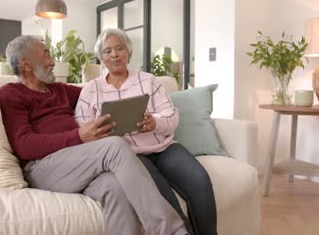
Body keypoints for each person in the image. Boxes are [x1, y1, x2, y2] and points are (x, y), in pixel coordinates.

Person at [0, 35, 190, 235]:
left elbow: (98, 91)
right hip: (43, 167)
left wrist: (128, 92)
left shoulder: (59, 90)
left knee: (115, 187)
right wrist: (79, 136)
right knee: (114, 145)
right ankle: (171, 231)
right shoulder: (10, 94)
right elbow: (24, 145)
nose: (53, 62)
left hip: (79, 163)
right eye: (46, 55)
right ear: (26, 64)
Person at [75, 28, 217, 235]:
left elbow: (171, 114)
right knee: (163, 196)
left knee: (200, 180)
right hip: (129, 157)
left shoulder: (148, 80)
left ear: (128, 52)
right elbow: (82, 125)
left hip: (163, 148)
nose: (114, 54)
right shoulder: (90, 89)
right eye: (107, 51)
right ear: (101, 57)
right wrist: (101, 132)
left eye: (119, 48)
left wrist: (155, 122)